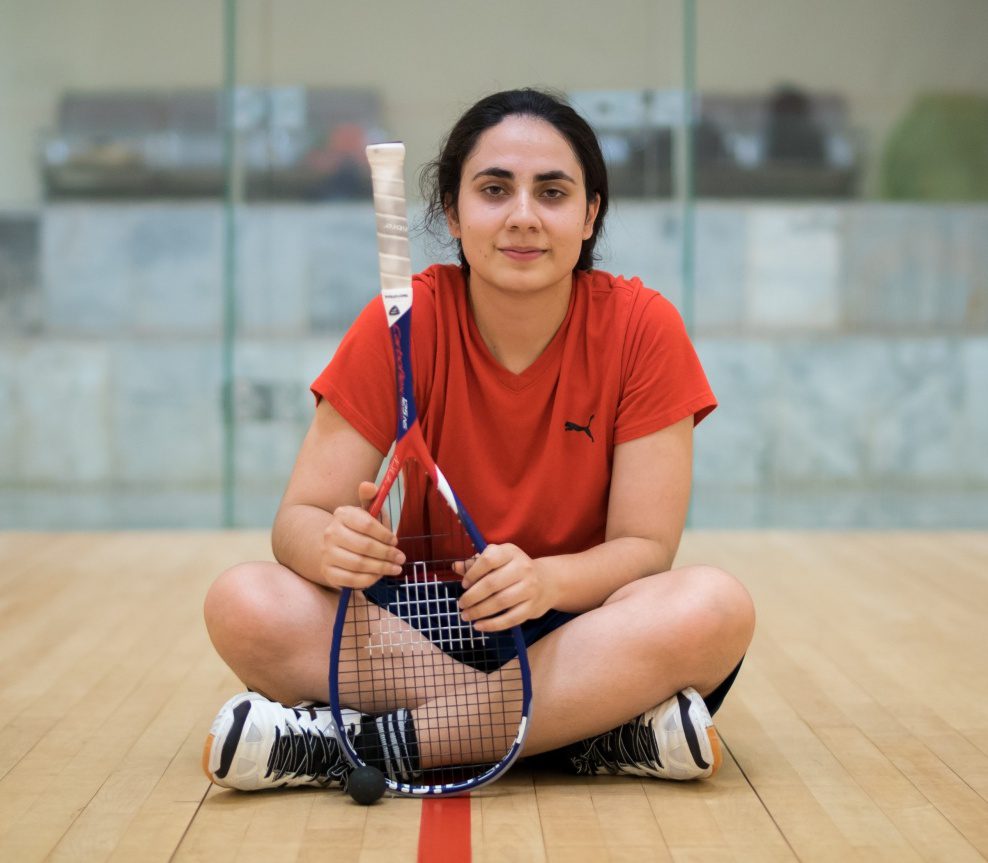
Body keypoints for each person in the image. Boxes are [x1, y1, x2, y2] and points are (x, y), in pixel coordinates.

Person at [201, 88, 755, 791]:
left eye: (552, 192)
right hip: (421, 627)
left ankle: (359, 747)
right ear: (455, 213)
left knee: (714, 605)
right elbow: (297, 522)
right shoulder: (400, 323)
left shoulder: (644, 328)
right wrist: (332, 545)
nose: (523, 216)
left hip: (579, 631)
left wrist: (546, 579)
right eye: (495, 189)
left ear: (590, 216)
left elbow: (646, 550)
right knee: (243, 599)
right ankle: (592, 732)